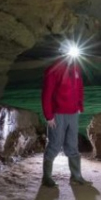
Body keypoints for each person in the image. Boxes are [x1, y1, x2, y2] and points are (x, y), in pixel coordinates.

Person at [41, 55, 91, 187]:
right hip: (57, 113)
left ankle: (76, 176)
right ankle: (46, 177)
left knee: (72, 145)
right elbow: (47, 94)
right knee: (55, 144)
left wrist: (80, 106)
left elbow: (79, 87)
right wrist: (49, 116)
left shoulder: (76, 68)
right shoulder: (53, 70)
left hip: (73, 113)